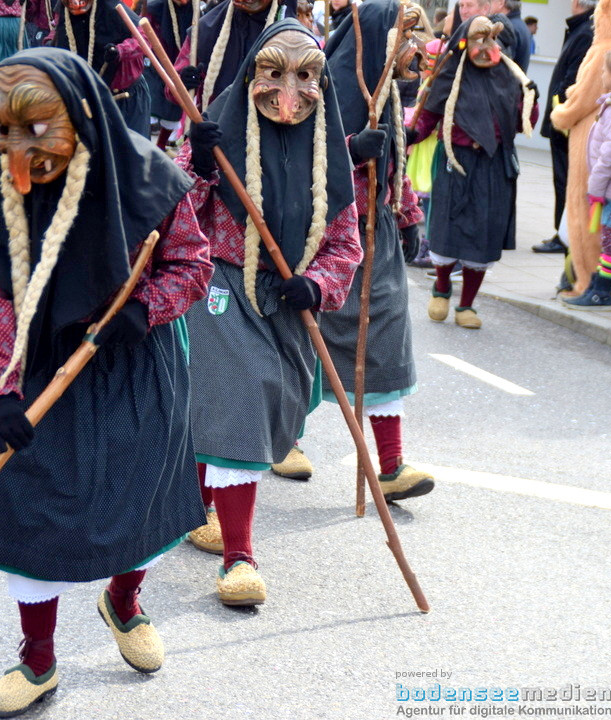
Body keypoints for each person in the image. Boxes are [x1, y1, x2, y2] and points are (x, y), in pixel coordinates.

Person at [0, 47, 212, 717]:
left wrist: (143, 308)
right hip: (40, 367)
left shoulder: (151, 179)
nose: (17, 149)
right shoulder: (8, 182)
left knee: (139, 499)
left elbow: (191, 264)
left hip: (135, 361)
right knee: (30, 503)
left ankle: (124, 603)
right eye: (5, 132)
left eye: (33, 130)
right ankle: (37, 658)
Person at [178, 19, 361, 606]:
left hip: (288, 302)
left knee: (260, 408)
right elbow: (173, 211)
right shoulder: (220, 128)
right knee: (240, 404)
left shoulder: (328, 155)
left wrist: (317, 283)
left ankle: (200, 506)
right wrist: (200, 166)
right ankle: (240, 558)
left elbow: (345, 244)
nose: (290, 89)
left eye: (306, 75)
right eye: (274, 71)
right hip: (222, 287)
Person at [316, 0, 435, 501]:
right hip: (324, 234)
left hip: (376, 231)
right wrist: (349, 147)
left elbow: (396, 158)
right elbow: (301, 153)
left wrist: (407, 214)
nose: (415, 50)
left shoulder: (387, 91)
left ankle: (390, 467)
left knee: (385, 339)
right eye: (406, 39)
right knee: (303, 348)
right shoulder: (326, 84)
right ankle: (277, 445)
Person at [411, 15, 535, 329]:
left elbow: (522, 122)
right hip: (456, 160)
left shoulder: (509, 77)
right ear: (465, 43)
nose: (484, 48)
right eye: (477, 40)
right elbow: (428, 116)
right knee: (447, 228)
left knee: (484, 232)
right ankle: (441, 289)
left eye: (490, 41)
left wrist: (530, 102)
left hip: (495, 165)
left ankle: (467, 304)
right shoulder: (450, 75)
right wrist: (407, 135)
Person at [549, 0, 611, 297]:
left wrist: (560, 114)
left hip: (589, 137)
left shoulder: (601, 51)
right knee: (609, 223)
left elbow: (583, 97)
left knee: (583, 212)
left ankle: (584, 281)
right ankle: (596, 278)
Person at [564, 50, 611, 308]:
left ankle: (602, 290)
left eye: (605, 71)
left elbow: (610, 155)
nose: (602, 75)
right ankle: (599, 284)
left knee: (610, 241)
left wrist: (595, 188)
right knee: (610, 239)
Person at [533, 0, 595, 256]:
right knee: (563, 178)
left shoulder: (584, 31)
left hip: (567, 120)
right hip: (563, 117)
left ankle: (565, 235)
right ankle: (564, 233)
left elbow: (571, 80)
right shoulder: (580, 28)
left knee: (566, 179)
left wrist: (560, 113)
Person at [172, 0, 296, 113]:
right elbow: (172, 90)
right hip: (215, 127)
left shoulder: (293, 35)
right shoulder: (207, 28)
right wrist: (183, 82)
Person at [54, 0, 153, 136]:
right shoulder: (64, 11)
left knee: (132, 152)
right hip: (89, 98)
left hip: (126, 97)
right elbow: (58, 35)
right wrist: (50, 45)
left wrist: (119, 51)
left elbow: (144, 38)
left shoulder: (111, 6)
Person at [144, 0, 195, 148]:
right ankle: (146, 143)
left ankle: (161, 145)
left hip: (180, 63)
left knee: (174, 106)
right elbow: (144, 33)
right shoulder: (154, 9)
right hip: (156, 62)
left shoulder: (196, 12)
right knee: (152, 101)